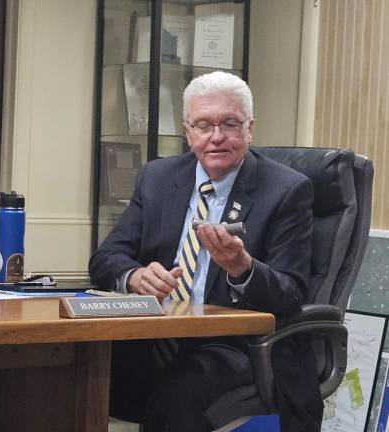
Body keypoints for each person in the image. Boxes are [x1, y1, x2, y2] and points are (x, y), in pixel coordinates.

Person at [89, 71, 323, 431]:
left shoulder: (286, 191)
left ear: (250, 128)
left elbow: (291, 293)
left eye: (229, 124)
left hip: (234, 345)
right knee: (74, 372)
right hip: (154, 335)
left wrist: (243, 269)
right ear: (187, 132)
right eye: (203, 125)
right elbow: (106, 259)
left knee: (175, 395)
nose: (216, 137)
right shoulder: (157, 178)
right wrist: (134, 276)